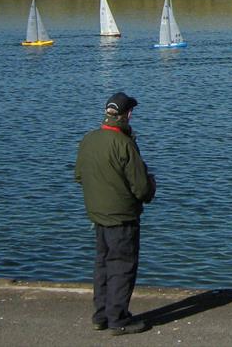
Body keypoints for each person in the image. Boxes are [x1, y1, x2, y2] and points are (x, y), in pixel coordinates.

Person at [75, 92, 156, 336]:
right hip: (122, 216)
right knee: (122, 266)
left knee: (103, 264)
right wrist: (152, 184)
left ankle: (101, 315)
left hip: (97, 215)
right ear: (128, 114)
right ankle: (118, 319)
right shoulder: (124, 144)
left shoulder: (89, 140)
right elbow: (142, 189)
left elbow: (79, 176)